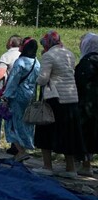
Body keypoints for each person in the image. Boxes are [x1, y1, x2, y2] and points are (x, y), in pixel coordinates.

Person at [33, 30, 86, 178]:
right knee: (69, 133)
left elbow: (43, 78)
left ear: (47, 43)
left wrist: (35, 82)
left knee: (46, 131)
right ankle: (71, 169)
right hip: (71, 97)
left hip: (54, 98)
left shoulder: (48, 56)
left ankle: (47, 166)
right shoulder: (69, 53)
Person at [1, 37, 41, 162]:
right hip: (30, 96)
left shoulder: (20, 62)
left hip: (17, 97)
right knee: (26, 123)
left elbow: (13, 81)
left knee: (12, 123)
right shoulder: (36, 62)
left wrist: (6, 96)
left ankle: (20, 151)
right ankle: (24, 147)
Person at [75, 33, 98, 177]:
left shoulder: (87, 62)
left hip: (87, 104)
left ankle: (86, 165)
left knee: (85, 135)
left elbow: (79, 83)